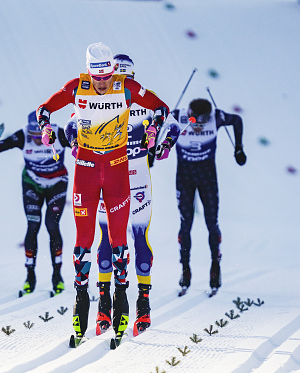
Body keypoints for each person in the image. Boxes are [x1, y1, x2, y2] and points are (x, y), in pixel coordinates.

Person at [37, 42, 170, 343]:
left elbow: (162, 108)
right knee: (84, 240)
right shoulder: (76, 87)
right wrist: (46, 129)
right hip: (85, 169)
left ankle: (123, 300)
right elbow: (44, 109)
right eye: (97, 77)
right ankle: (83, 303)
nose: (102, 83)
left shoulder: (126, 86)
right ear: (89, 72)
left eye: (107, 77)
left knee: (120, 240)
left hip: (117, 169)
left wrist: (152, 130)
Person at [64, 54, 162, 337]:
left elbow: (172, 121)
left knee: (139, 238)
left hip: (137, 181)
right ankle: (104, 304)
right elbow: (73, 121)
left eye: (126, 78)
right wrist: (73, 141)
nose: (122, 83)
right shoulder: (99, 100)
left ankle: (143, 304)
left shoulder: (140, 98)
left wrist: (162, 140)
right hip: (106, 176)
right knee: (107, 239)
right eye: (119, 78)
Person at [155, 98, 246, 295]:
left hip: (207, 178)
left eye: (202, 124)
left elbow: (237, 120)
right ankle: (185, 269)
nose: (197, 127)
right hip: (185, 178)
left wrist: (238, 147)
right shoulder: (178, 116)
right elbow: (157, 122)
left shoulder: (217, 117)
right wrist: (151, 151)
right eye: (194, 122)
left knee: (211, 223)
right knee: (185, 223)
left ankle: (215, 266)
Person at [0, 112, 70, 296]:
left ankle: (57, 275)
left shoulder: (60, 134)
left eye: (40, 135)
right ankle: (30, 276)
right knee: (33, 225)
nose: (37, 139)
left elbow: (87, 148)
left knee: (52, 225)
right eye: (33, 135)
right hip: (31, 184)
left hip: (57, 183)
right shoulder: (22, 136)